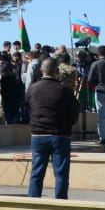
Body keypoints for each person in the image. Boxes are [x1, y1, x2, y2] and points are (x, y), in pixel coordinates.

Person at [26, 58, 79, 199]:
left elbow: (28, 108)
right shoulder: (65, 91)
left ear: (42, 71)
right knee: (61, 172)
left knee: (36, 171)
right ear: (57, 72)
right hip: (60, 134)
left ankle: (33, 201)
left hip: (38, 134)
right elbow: (74, 113)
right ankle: (60, 202)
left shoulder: (32, 89)